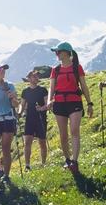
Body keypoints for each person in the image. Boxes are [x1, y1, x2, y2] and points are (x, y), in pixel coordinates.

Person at [38, 42, 94, 173]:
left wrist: (90, 103)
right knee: (63, 135)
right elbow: (51, 87)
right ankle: (68, 160)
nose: (56, 54)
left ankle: (75, 161)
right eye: (56, 52)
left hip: (75, 102)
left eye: (58, 51)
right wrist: (50, 100)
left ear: (67, 52)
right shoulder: (55, 70)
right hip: (59, 104)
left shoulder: (77, 68)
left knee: (74, 130)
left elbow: (84, 86)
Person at [18, 69, 48, 169]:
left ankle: (43, 164)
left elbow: (47, 104)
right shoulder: (25, 92)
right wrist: (19, 113)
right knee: (27, 142)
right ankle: (27, 165)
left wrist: (41, 108)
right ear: (29, 78)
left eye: (37, 76)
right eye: (34, 76)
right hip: (29, 118)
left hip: (41, 118)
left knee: (42, 142)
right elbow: (22, 105)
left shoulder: (43, 90)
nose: (36, 78)